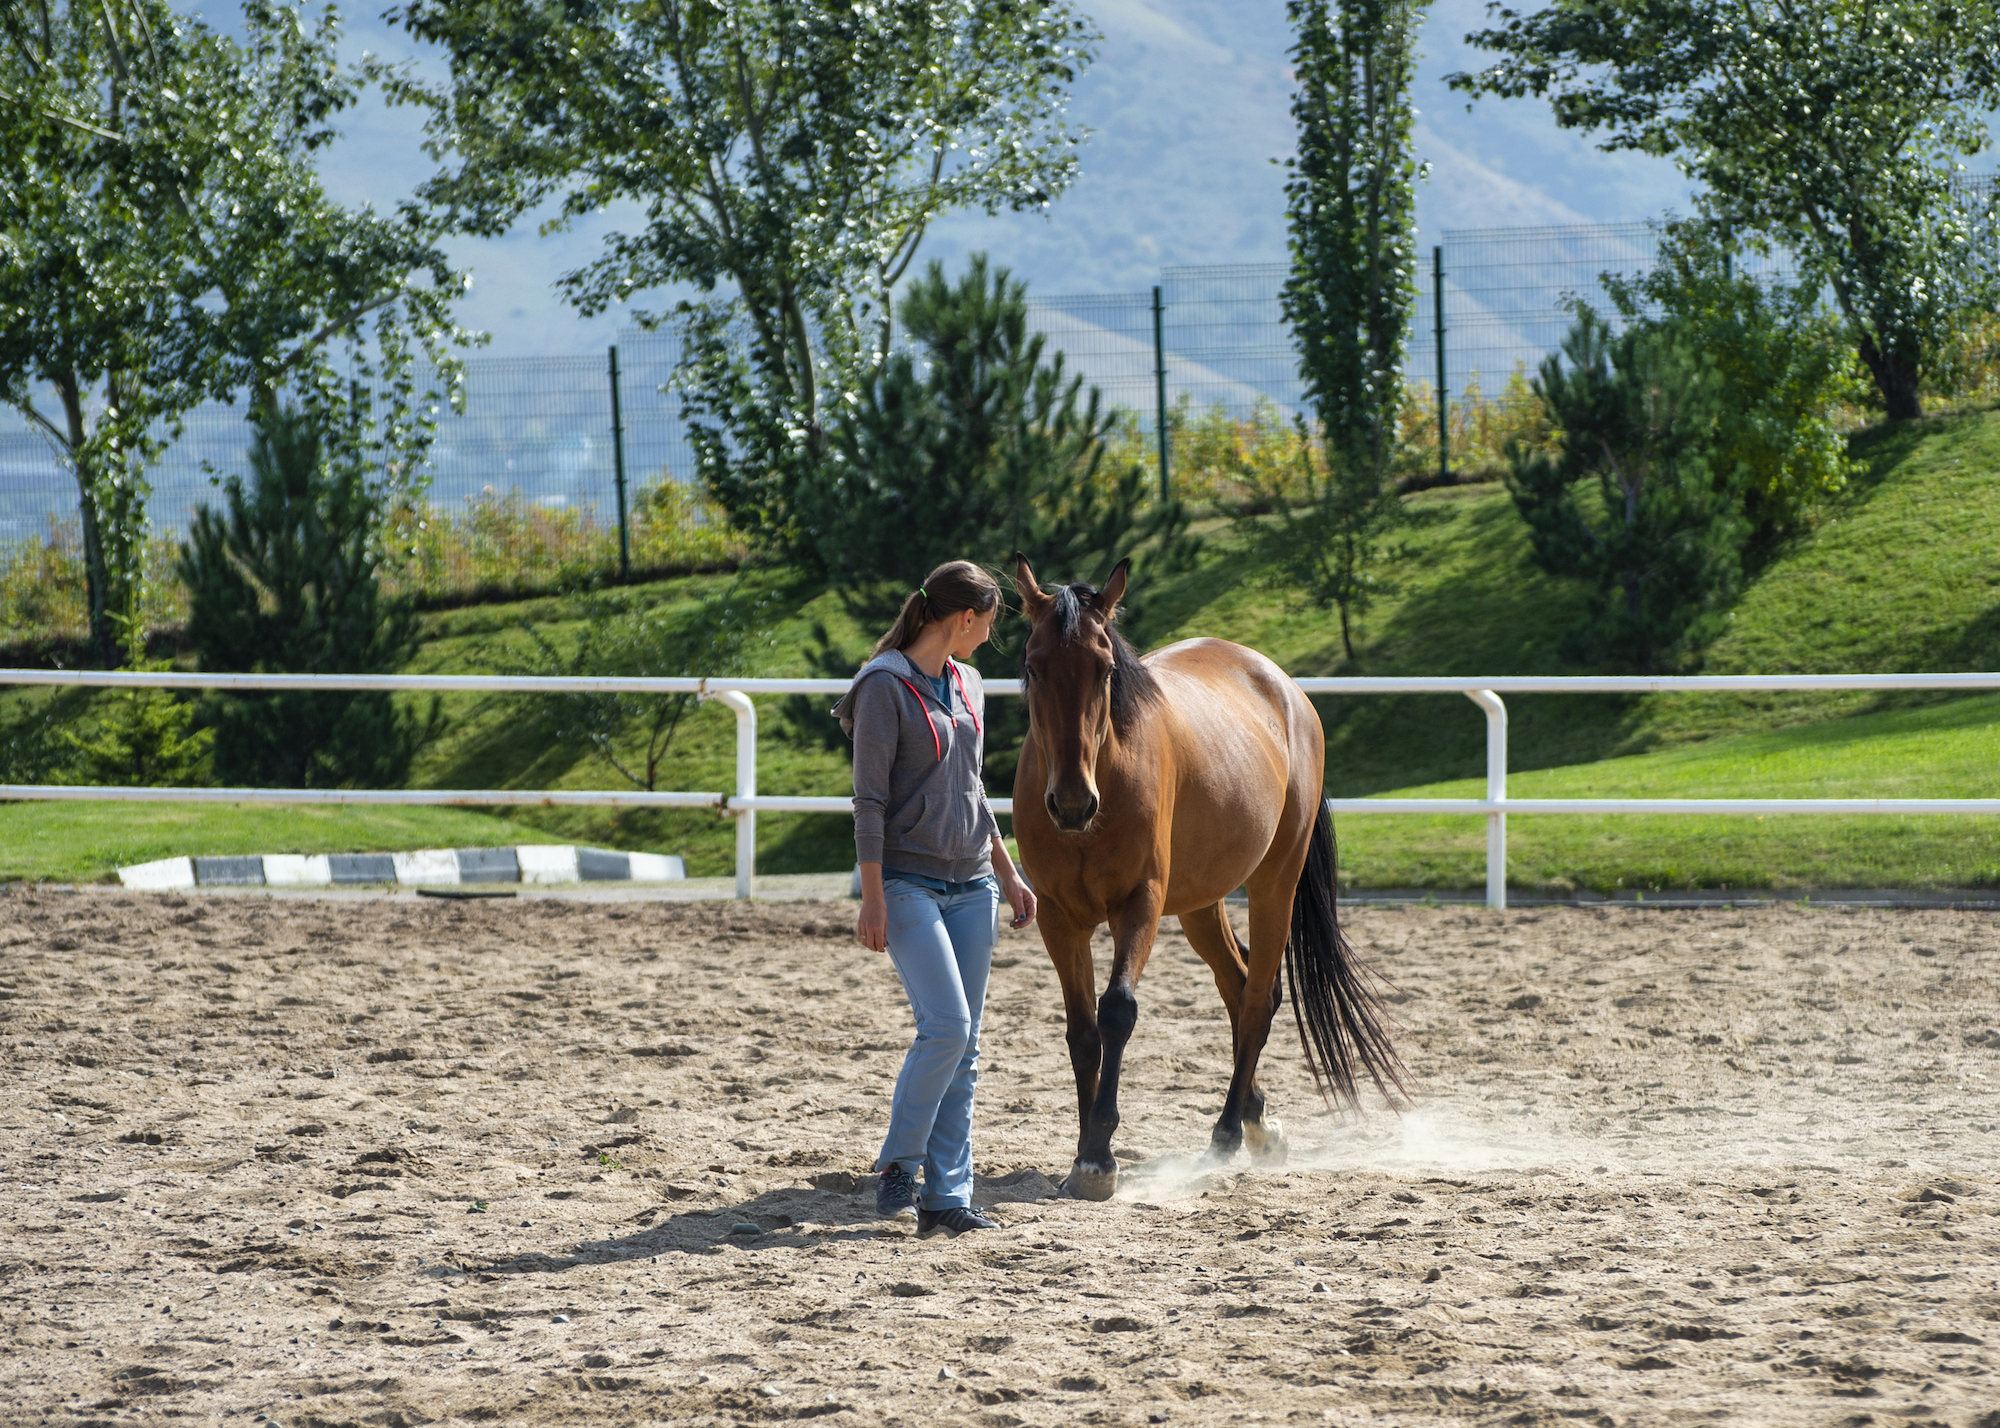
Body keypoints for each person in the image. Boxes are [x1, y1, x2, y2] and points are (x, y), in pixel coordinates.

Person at [830, 560, 1037, 1238]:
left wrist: (1007, 873)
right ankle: (899, 1161)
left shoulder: (969, 682)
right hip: (908, 882)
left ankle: (946, 1199)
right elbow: (870, 800)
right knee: (946, 1027)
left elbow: (973, 787)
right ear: (963, 619)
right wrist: (871, 893)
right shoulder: (883, 686)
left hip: (973, 881)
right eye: (989, 623)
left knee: (966, 1047)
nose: (989, 637)